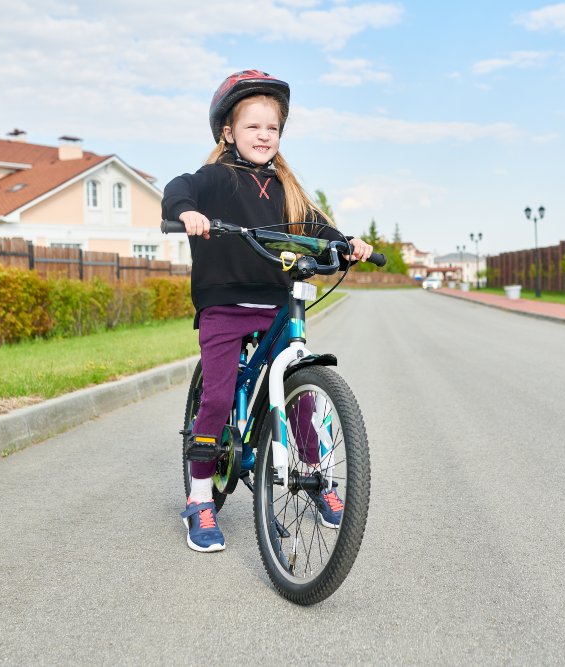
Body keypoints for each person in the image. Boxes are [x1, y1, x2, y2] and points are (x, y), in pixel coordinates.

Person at [161, 70, 373, 553]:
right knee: (216, 397)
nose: (263, 136)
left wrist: (347, 244)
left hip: (277, 301)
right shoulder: (215, 179)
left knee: (301, 389)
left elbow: (322, 230)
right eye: (253, 127)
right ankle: (199, 499)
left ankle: (318, 478)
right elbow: (179, 187)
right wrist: (188, 213)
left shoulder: (287, 189)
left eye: (272, 128)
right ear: (229, 133)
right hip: (224, 302)